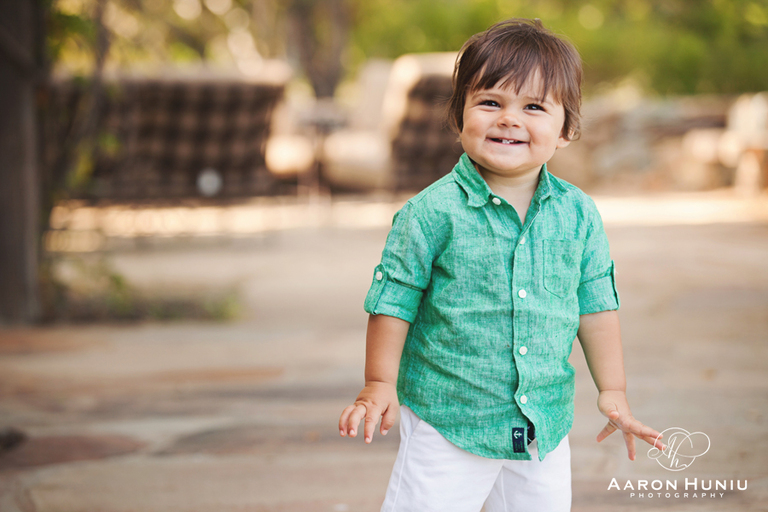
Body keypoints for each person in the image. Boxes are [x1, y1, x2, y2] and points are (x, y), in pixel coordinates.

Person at [338, 18, 664, 512]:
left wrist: (612, 390)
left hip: (540, 428)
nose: (509, 119)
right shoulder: (430, 213)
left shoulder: (577, 216)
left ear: (566, 129)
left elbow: (595, 304)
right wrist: (379, 382)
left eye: (533, 107)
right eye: (490, 102)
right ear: (459, 115)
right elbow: (394, 301)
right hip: (449, 421)